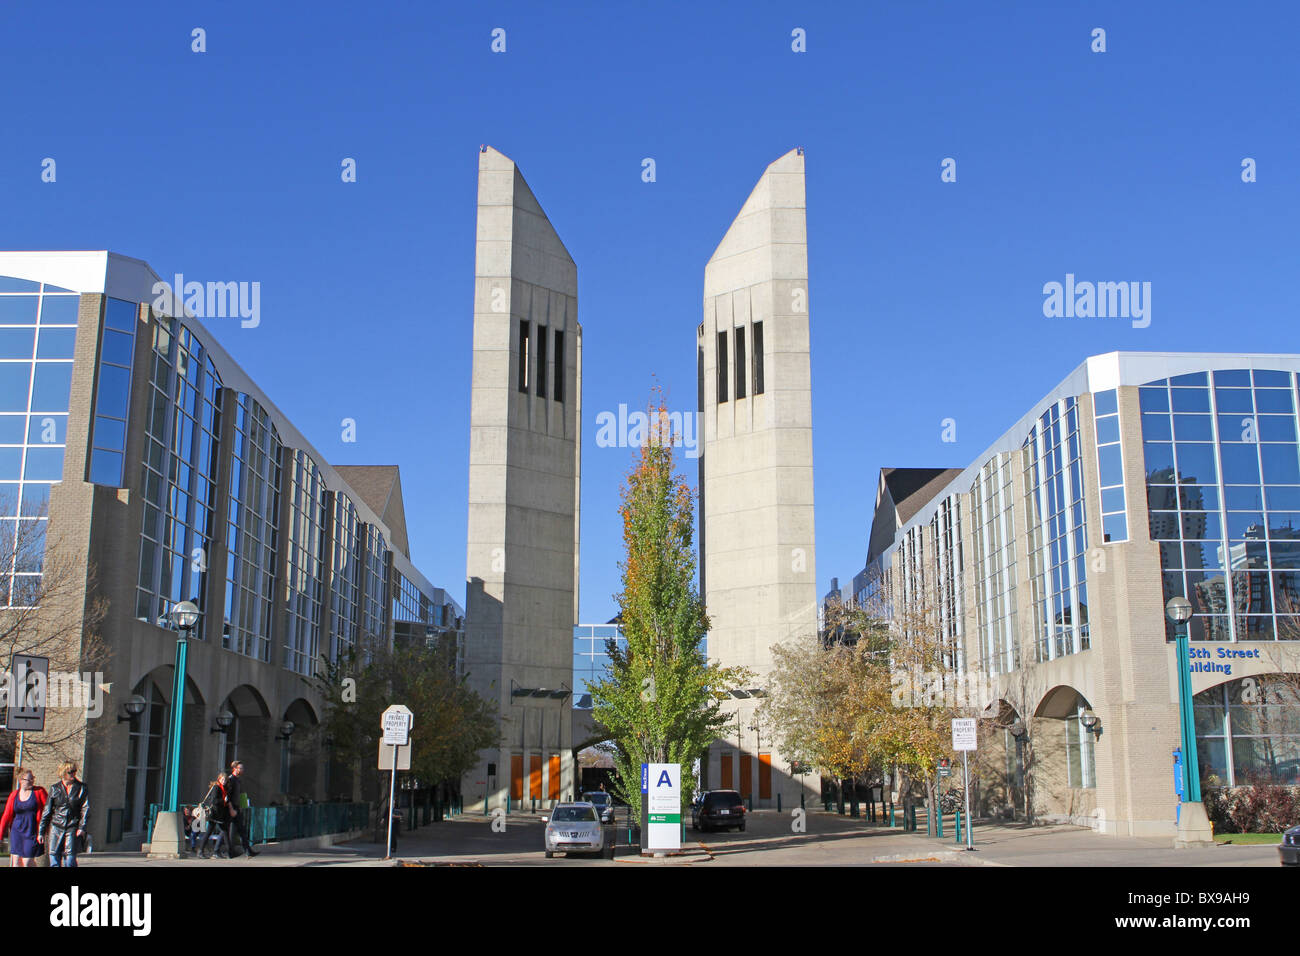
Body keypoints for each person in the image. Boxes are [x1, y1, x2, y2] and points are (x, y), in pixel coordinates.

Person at [44, 761, 89, 867]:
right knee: (54, 856)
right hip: (56, 825)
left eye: (75, 771)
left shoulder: (81, 788)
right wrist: (41, 831)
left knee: (70, 859)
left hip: (72, 825)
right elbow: (47, 810)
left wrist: (82, 827)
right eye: (70, 772)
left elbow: (85, 808)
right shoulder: (55, 788)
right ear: (63, 773)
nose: (73, 774)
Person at [0, 768, 47, 867]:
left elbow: (48, 811)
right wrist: (0, 835)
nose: (31, 781)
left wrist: (43, 831)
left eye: (32, 779)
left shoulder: (39, 792)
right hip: (16, 832)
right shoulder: (14, 795)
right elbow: (6, 816)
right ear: (20, 780)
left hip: (32, 832)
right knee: (16, 863)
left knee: (27, 862)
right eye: (28, 780)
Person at [225, 759, 257, 857]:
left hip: (236, 807)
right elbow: (227, 796)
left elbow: (239, 794)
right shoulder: (231, 780)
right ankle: (229, 851)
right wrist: (231, 809)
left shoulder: (238, 780)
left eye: (243, 768)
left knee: (240, 830)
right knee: (229, 831)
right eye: (240, 768)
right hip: (232, 808)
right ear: (234, 769)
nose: (242, 770)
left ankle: (248, 851)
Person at [199, 773, 232, 859]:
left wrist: (226, 801)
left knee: (224, 832)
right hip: (214, 814)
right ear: (219, 779)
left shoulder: (224, 788)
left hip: (220, 814)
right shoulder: (217, 787)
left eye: (225, 780)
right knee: (210, 832)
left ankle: (226, 852)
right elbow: (214, 801)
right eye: (222, 780)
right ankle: (201, 851)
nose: (224, 781)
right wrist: (223, 800)